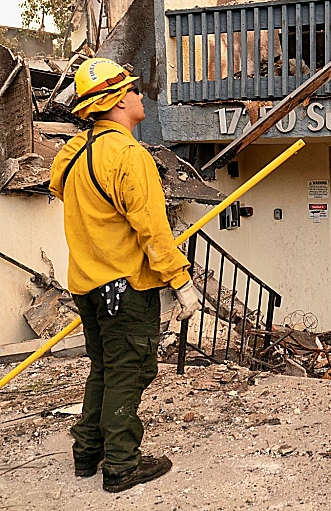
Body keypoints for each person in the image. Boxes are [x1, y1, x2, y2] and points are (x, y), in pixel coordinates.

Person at [48, 58, 200, 493]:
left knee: (103, 366)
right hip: (126, 287)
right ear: (117, 102)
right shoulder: (129, 156)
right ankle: (120, 465)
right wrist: (182, 283)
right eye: (132, 90)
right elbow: (152, 230)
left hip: (88, 284)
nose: (139, 94)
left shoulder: (73, 151)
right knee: (128, 371)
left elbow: (58, 187)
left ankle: (87, 452)